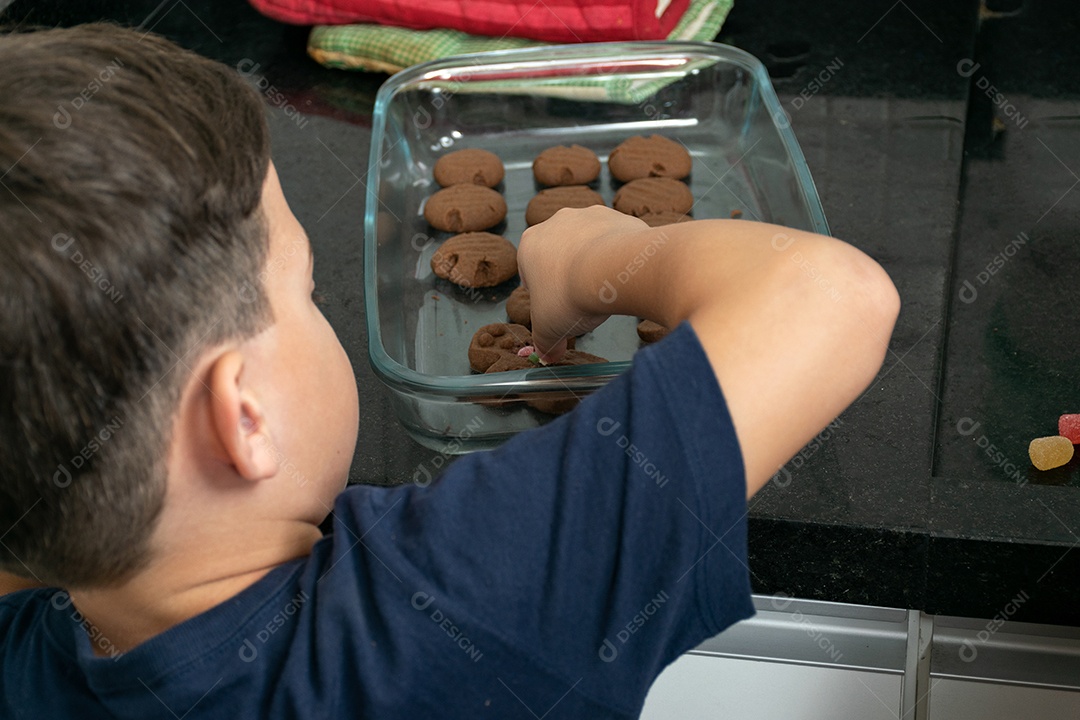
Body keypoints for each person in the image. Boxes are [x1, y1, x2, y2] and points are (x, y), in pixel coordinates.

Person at [0, 22, 899, 720]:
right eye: (307, 291)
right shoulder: (460, 602)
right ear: (245, 420)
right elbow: (832, 295)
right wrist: (596, 255)